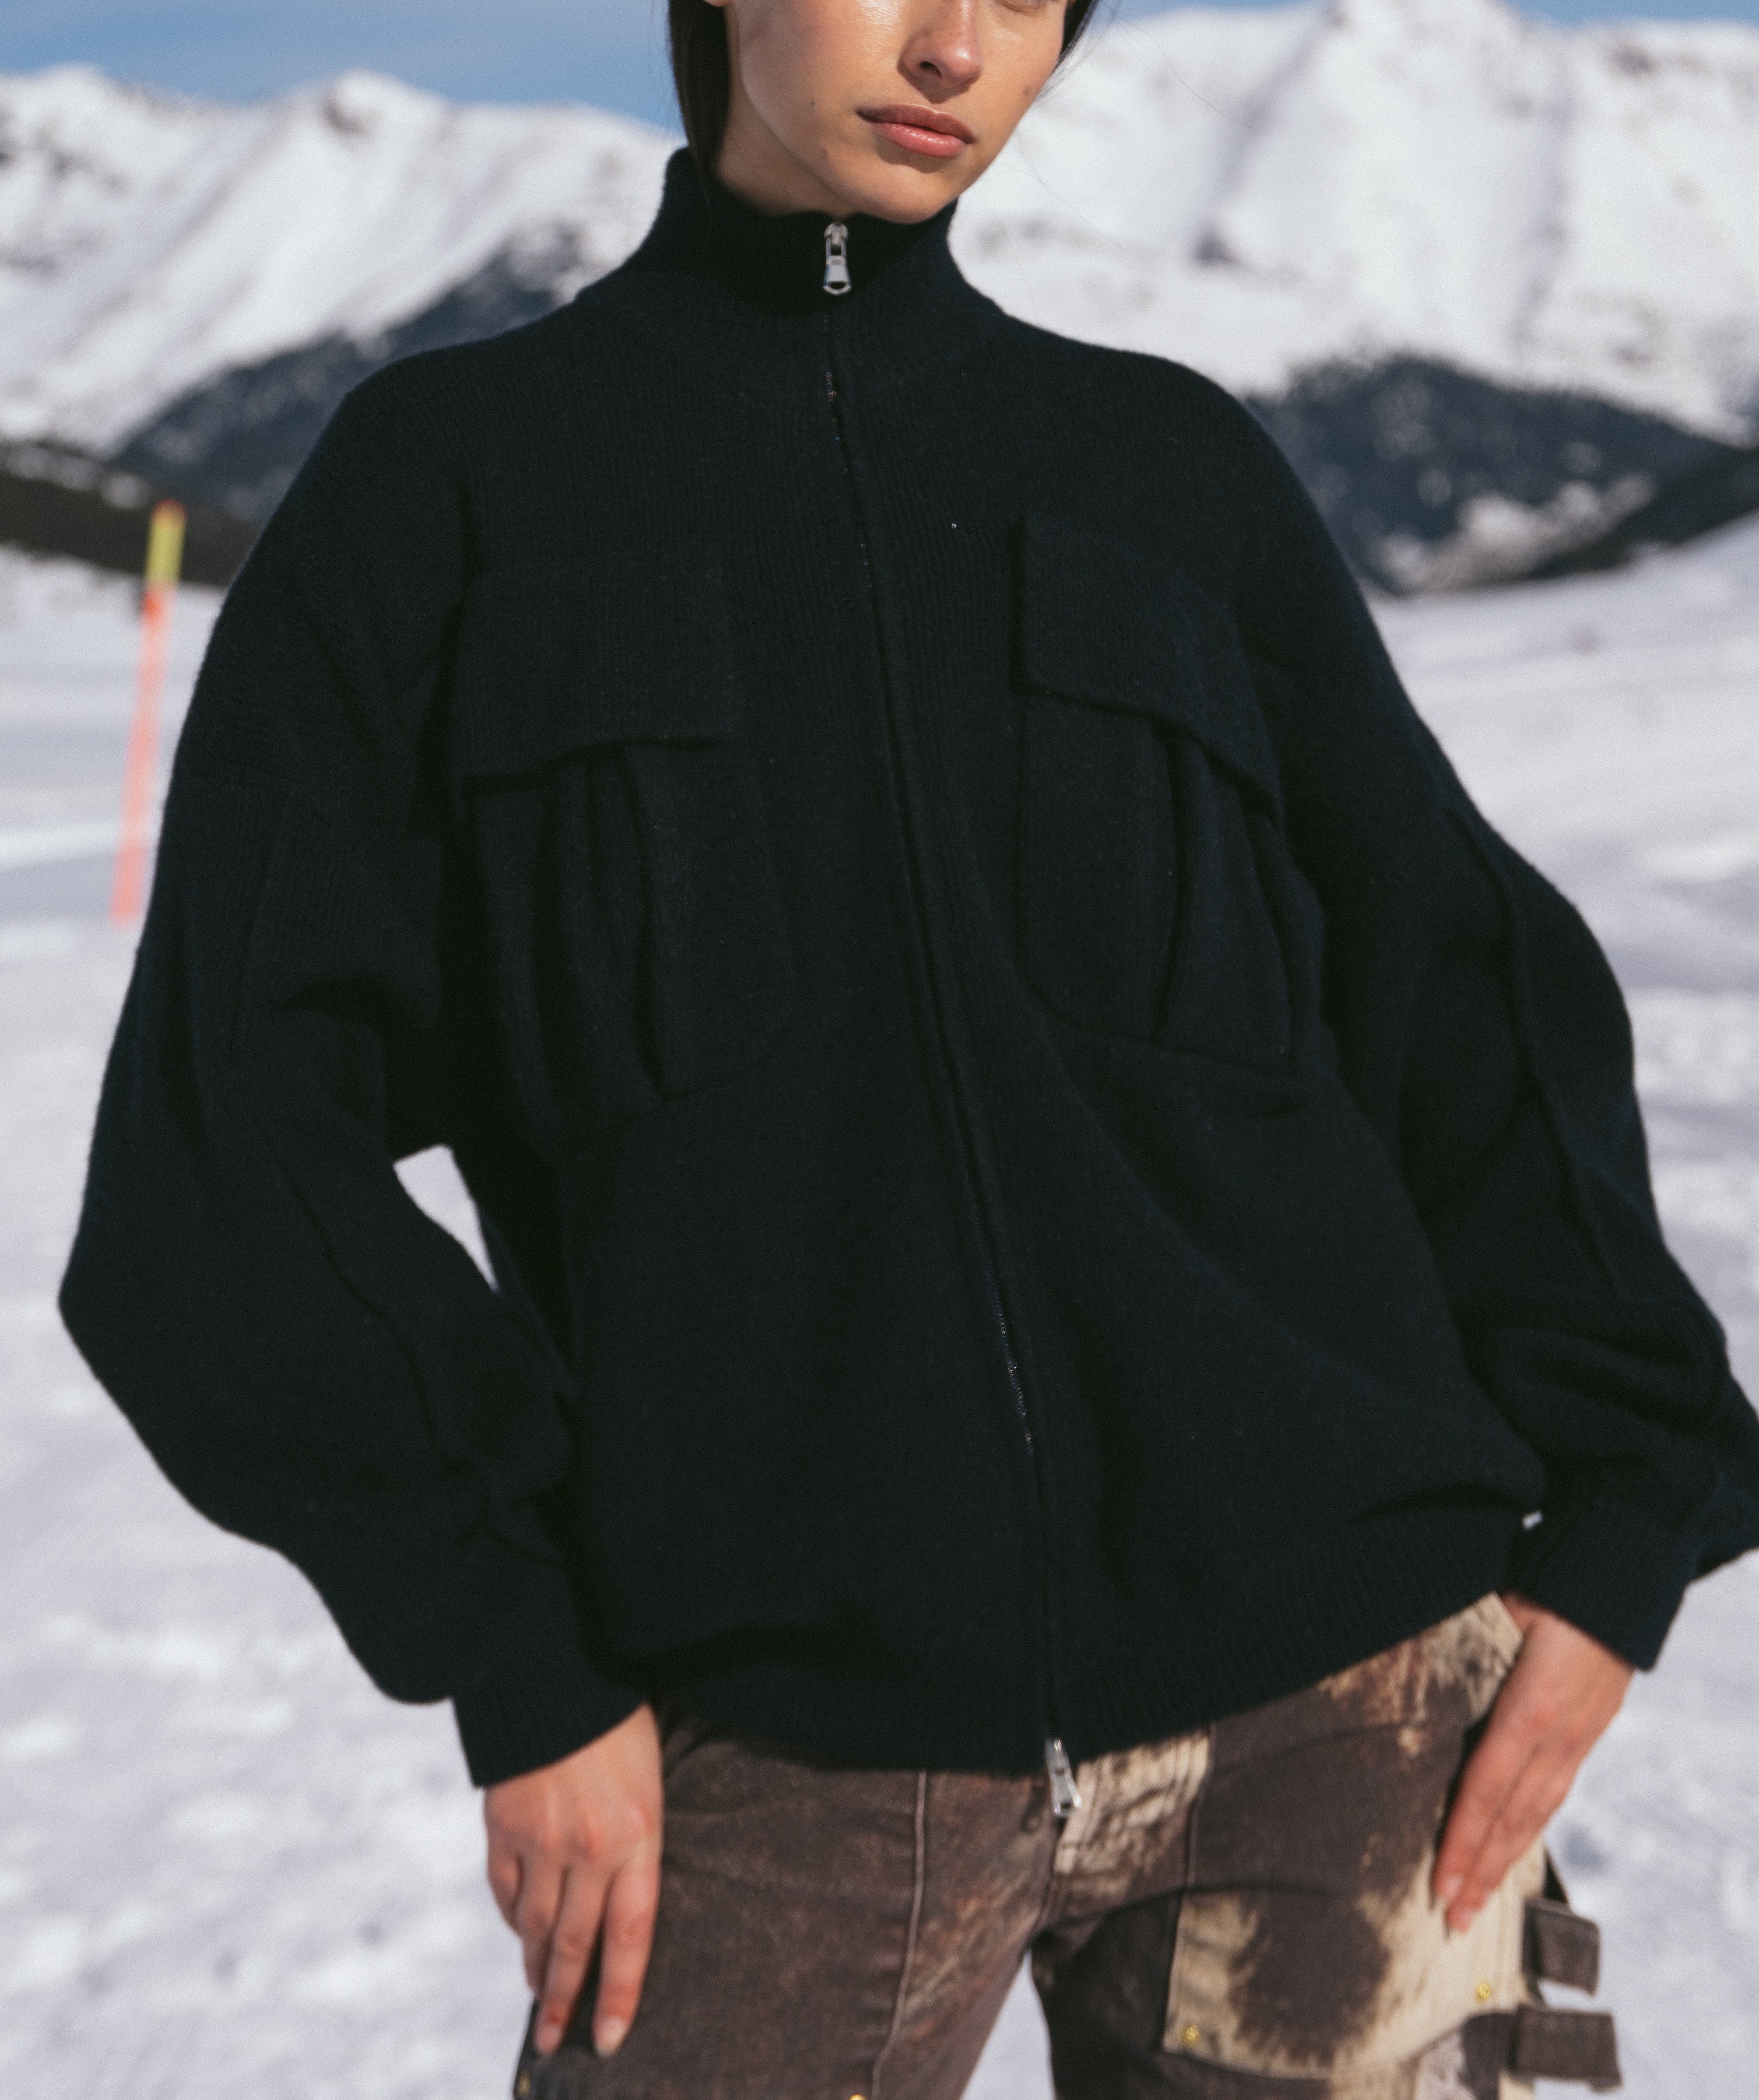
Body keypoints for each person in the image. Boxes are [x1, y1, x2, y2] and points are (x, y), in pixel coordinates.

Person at [62, 0, 1759, 2094]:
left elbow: (1466, 995)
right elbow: (220, 1156)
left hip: (1347, 1722)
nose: (958, 44)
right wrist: (507, 1644)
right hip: (785, 1764)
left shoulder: (1170, 468)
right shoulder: (449, 491)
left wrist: (1624, 1514)